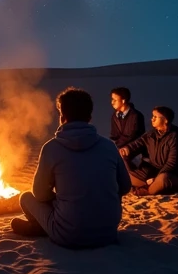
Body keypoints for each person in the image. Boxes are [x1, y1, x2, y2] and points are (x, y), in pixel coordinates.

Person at [10, 87, 131, 247]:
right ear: (89, 116)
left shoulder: (52, 148)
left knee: (26, 198)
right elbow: (125, 187)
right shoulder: (108, 146)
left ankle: (42, 228)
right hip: (107, 233)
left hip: (69, 235)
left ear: (62, 116)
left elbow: (39, 194)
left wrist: (61, 199)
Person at [119, 105, 178, 194]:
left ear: (165, 120)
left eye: (155, 117)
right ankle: (149, 186)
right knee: (124, 169)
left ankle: (147, 190)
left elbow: (172, 163)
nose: (152, 119)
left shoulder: (175, 135)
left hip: (173, 174)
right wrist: (127, 149)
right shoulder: (151, 134)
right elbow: (137, 144)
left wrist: (156, 178)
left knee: (163, 179)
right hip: (153, 173)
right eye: (152, 116)